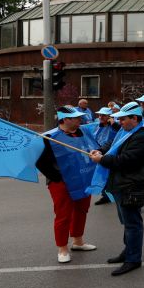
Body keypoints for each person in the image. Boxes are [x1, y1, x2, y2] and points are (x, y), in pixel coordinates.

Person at [88, 103, 144, 276]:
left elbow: (126, 160)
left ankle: (133, 259)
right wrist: (100, 150)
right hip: (121, 184)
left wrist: (102, 160)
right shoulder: (128, 131)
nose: (119, 122)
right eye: (119, 118)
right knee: (127, 222)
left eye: (123, 118)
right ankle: (128, 251)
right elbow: (114, 145)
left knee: (133, 223)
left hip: (131, 185)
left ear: (135, 118)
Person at [35, 106, 100, 264]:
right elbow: (40, 161)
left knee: (82, 210)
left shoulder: (84, 132)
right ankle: (62, 248)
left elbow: (96, 147)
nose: (80, 120)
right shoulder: (50, 137)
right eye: (76, 118)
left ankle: (78, 241)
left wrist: (98, 153)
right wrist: (58, 178)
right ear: (65, 119)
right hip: (61, 182)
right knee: (63, 214)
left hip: (84, 178)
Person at [87, 106, 121, 206]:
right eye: (100, 115)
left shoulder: (115, 126)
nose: (100, 117)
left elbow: (119, 135)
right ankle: (106, 196)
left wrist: (113, 124)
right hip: (99, 153)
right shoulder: (98, 126)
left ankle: (113, 195)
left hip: (111, 154)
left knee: (110, 176)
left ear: (109, 117)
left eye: (103, 115)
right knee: (102, 175)